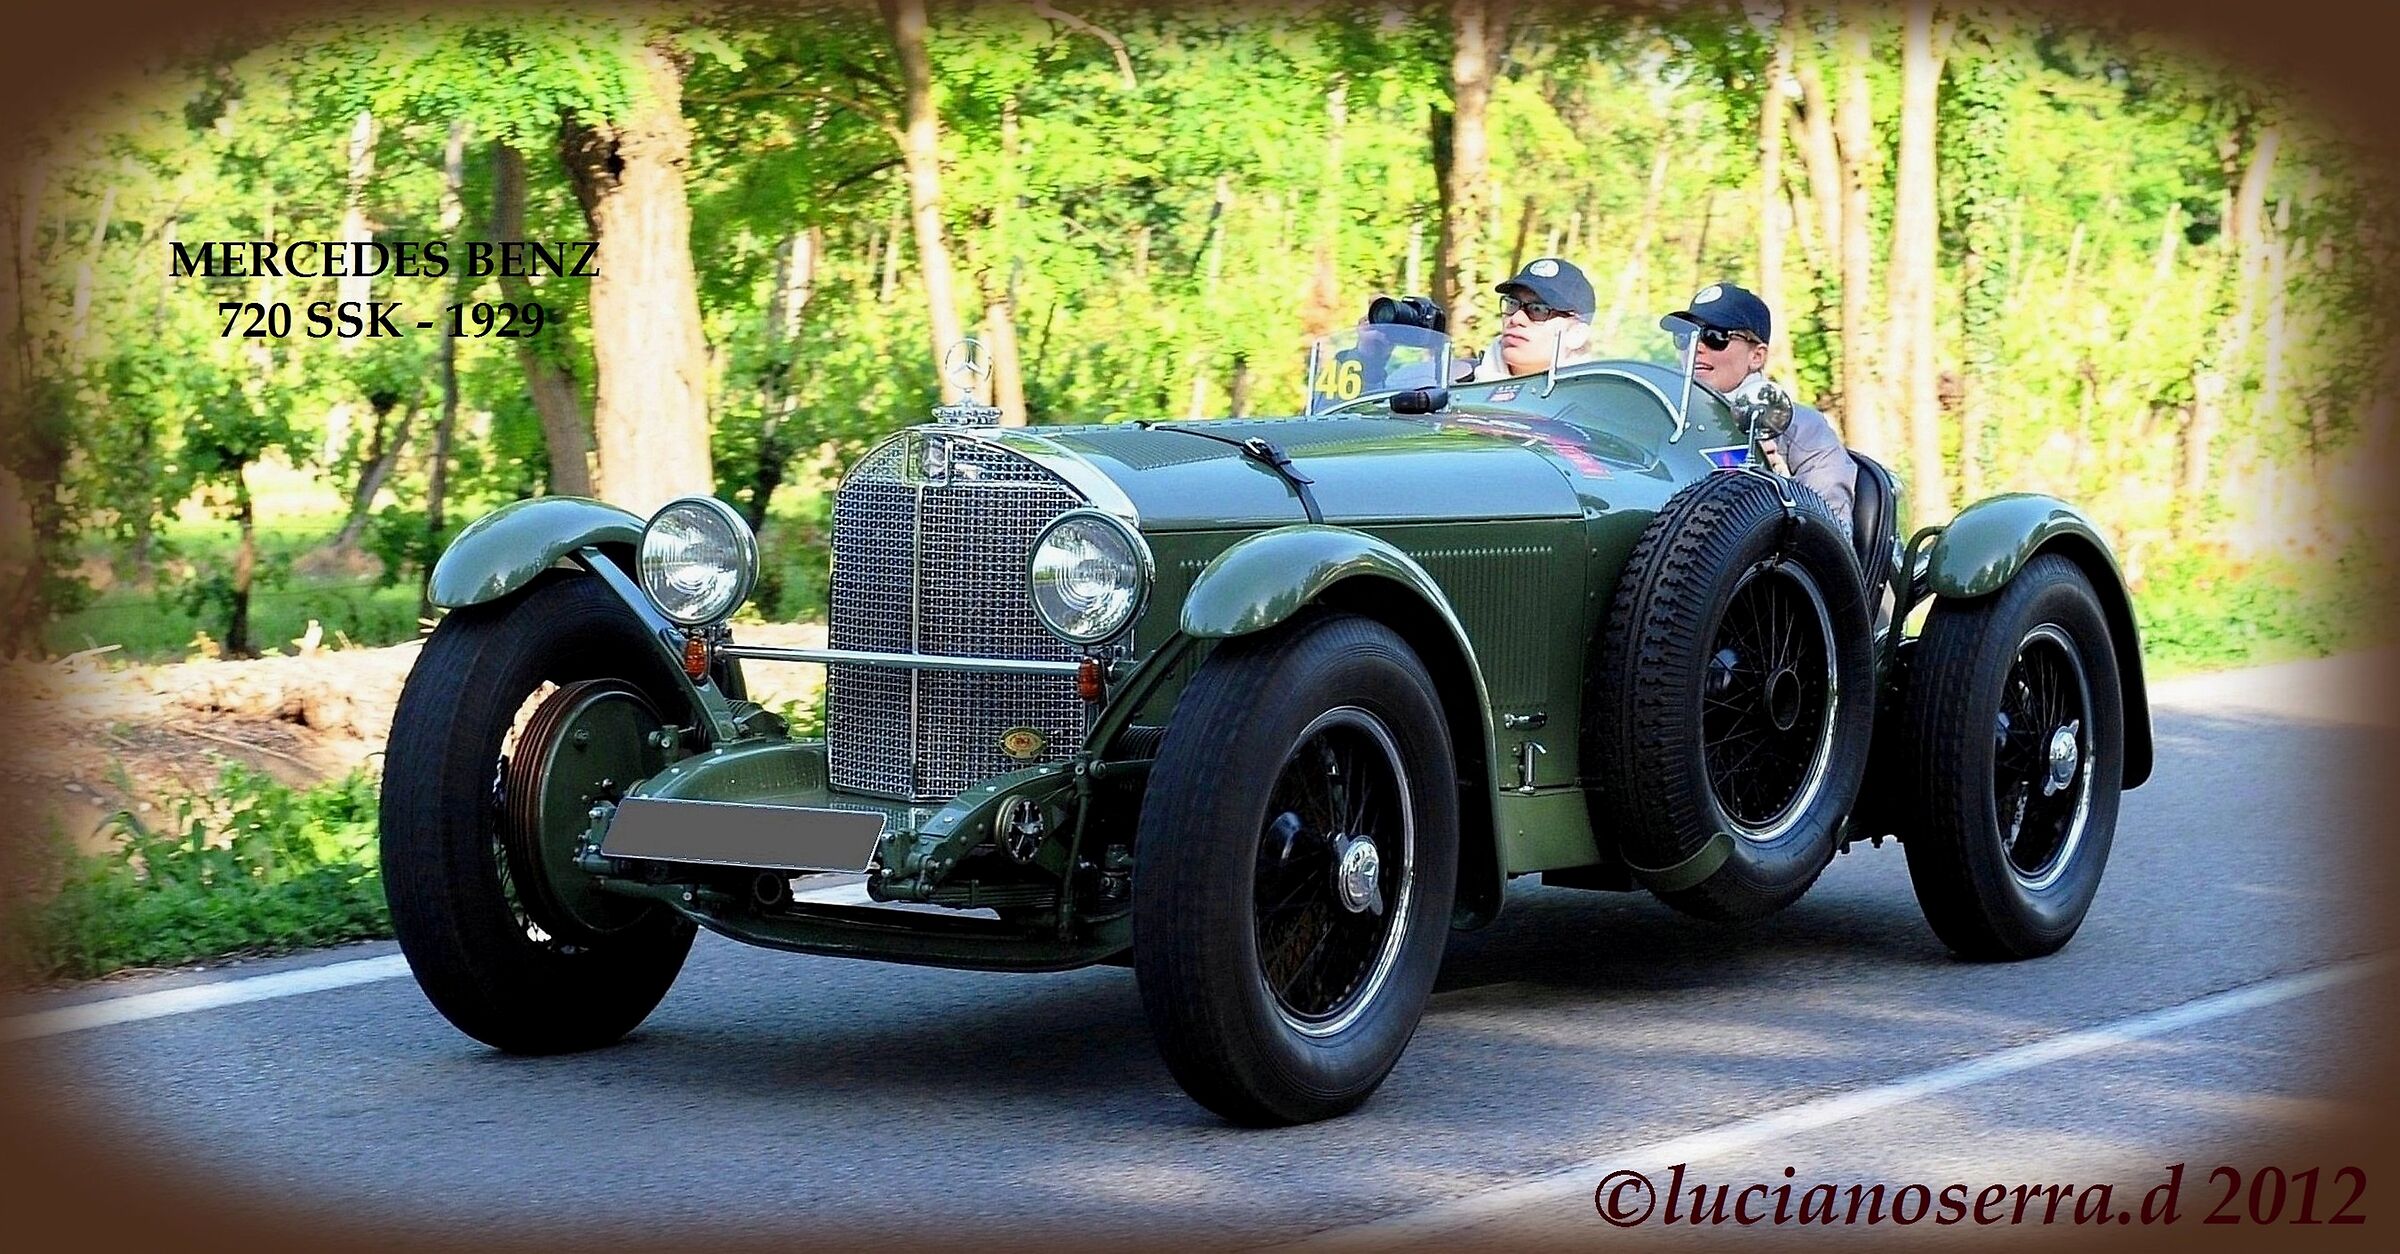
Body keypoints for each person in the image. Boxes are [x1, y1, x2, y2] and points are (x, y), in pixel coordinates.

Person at [1662, 282, 1856, 531]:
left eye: (1715, 336)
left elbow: (1833, 536)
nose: (1696, 347)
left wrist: (1780, 484)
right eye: (1684, 336)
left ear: (1757, 356)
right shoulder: (1663, 417)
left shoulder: (1803, 429)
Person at [1470, 257, 1598, 381]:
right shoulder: (1461, 383)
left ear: (1577, 335)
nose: (1516, 319)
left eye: (1538, 309)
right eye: (1512, 304)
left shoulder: (1600, 393)